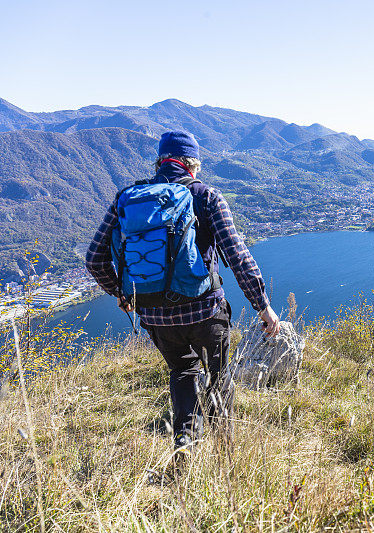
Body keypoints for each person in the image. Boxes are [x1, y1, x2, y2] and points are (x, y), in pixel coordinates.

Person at [86, 130, 280, 450]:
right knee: (218, 377)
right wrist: (263, 305)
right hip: (205, 312)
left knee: (182, 372)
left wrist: (123, 295)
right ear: (194, 165)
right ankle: (224, 449)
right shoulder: (206, 196)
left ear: (160, 161)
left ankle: (185, 444)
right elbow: (237, 255)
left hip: (156, 315)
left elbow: (94, 258)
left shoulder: (128, 197)